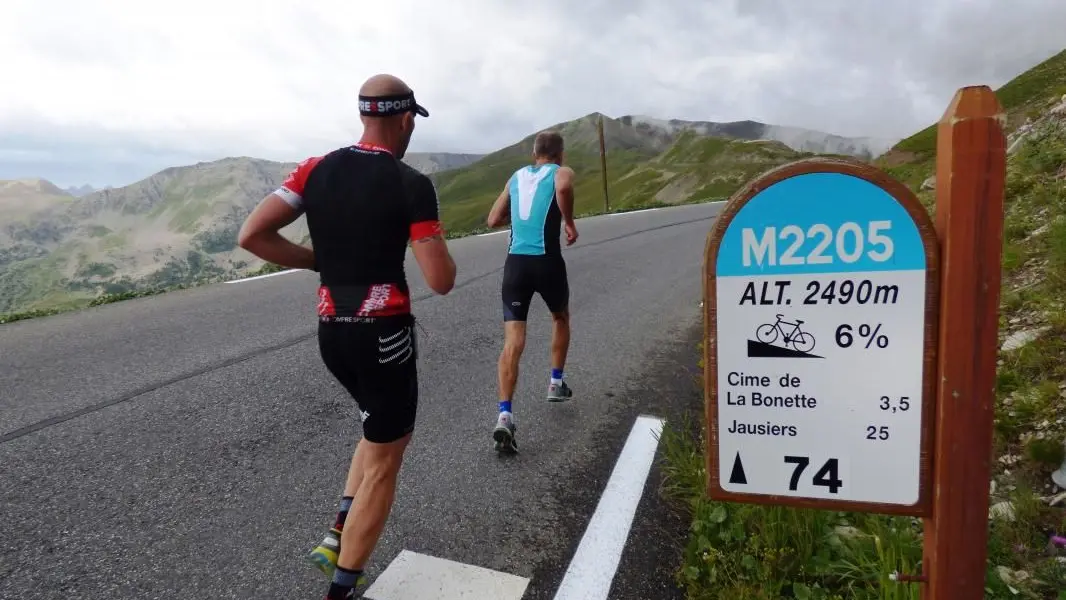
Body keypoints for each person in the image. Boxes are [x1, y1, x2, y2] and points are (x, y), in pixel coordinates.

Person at [236, 73, 456, 600]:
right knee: (387, 458)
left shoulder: (315, 169)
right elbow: (442, 280)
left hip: (332, 333)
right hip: (385, 338)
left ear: (364, 115)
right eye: (411, 124)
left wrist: (322, 262)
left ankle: (338, 531)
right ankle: (341, 589)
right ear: (405, 119)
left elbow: (253, 235)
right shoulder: (411, 183)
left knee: (373, 428)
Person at [484, 130, 578, 454]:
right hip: (547, 262)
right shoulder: (561, 171)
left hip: (516, 266)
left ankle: (505, 415)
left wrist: (520, 216)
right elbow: (563, 185)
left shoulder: (516, 176)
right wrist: (568, 221)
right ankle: (555, 381)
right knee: (560, 317)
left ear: (534, 153)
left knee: (513, 342)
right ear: (559, 154)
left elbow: (492, 219)